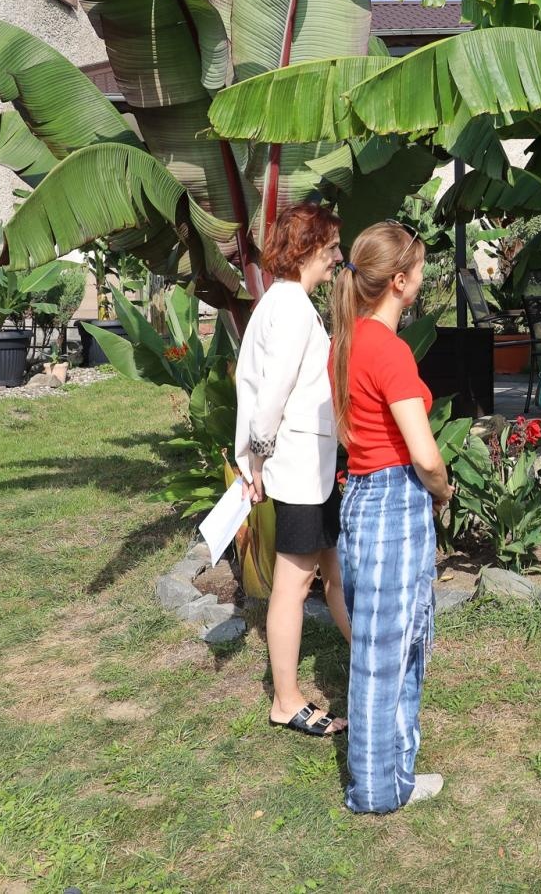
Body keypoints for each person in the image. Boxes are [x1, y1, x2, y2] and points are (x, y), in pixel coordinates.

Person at [330, 221, 453, 813]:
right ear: (400, 282)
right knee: (388, 654)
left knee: (383, 646)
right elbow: (424, 454)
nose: (423, 278)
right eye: (421, 269)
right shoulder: (389, 350)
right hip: (393, 502)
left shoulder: (346, 341)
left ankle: (393, 775)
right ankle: (378, 790)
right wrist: (443, 490)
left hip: (360, 495)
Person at [234, 202, 351, 738]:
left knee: (334, 572)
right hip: (298, 467)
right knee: (293, 585)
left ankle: (375, 662)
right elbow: (271, 395)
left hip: (312, 467)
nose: (337, 258)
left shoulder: (285, 303)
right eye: (332, 247)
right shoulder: (291, 308)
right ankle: (286, 701)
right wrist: (256, 461)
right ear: (309, 248)